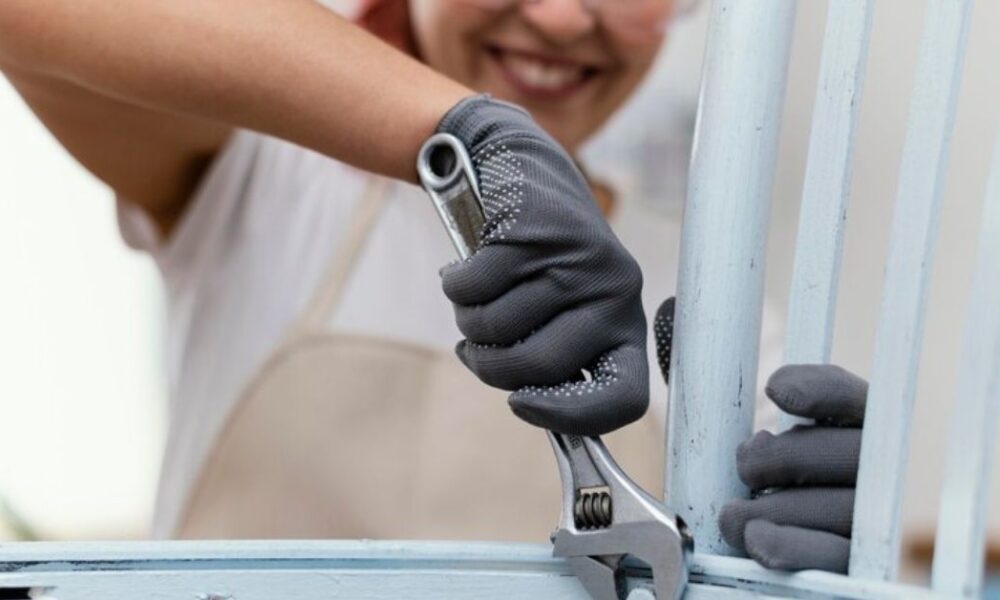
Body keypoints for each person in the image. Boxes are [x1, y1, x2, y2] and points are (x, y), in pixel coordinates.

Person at [0, 0, 863, 574]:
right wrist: (457, 131)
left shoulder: (715, 311)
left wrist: (838, 540)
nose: (563, 17)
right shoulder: (264, 178)